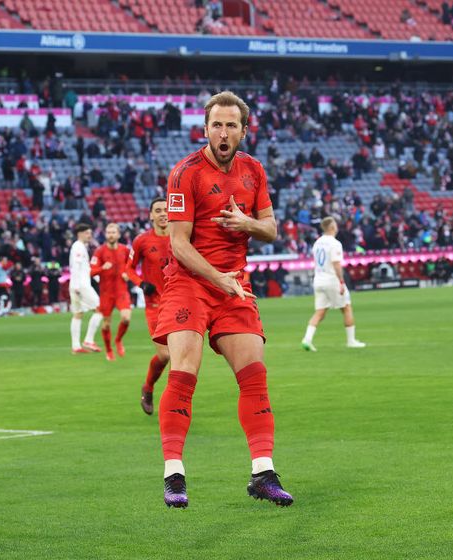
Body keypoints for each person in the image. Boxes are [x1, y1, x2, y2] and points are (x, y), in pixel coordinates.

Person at [153, 91, 293, 508]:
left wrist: (246, 222)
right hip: (190, 282)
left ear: (244, 131)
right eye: (217, 124)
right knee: (184, 371)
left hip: (234, 284)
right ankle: (174, 476)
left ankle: (263, 474)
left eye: (232, 125)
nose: (224, 131)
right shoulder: (185, 173)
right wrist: (218, 278)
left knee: (254, 372)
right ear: (206, 128)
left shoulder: (254, 170)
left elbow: (270, 228)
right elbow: (178, 244)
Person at [126, 198, 171, 414]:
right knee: (165, 356)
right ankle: (148, 387)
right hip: (155, 306)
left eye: (166, 210)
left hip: (181, 303)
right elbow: (129, 269)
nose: (163, 214)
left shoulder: (182, 237)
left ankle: (176, 404)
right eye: (158, 210)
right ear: (151, 215)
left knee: (185, 358)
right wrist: (141, 283)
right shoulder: (142, 241)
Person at [301, 217, 366, 352]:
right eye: (335, 224)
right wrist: (341, 281)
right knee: (346, 307)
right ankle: (351, 341)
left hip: (318, 280)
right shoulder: (335, 243)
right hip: (331, 280)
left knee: (320, 312)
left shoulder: (317, 242)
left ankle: (307, 339)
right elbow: (336, 264)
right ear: (332, 227)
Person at [90, 223, 132, 362]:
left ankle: (118, 340)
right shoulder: (99, 251)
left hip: (121, 291)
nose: (111, 235)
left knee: (126, 318)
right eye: (108, 232)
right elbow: (91, 271)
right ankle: (108, 349)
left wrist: (127, 274)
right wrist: (102, 268)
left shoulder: (125, 250)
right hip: (106, 293)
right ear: (105, 235)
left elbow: (131, 267)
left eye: (113, 232)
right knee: (106, 324)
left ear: (118, 234)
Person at [69, 224, 103, 354]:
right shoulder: (78, 246)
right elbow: (76, 267)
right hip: (81, 285)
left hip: (77, 284)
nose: (90, 235)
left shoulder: (80, 246)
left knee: (78, 314)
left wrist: (98, 279)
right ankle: (88, 340)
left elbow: (86, 268)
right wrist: (77, 286)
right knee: (101, 309)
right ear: (80, 233)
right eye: (87, 233)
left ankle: (76, 346)